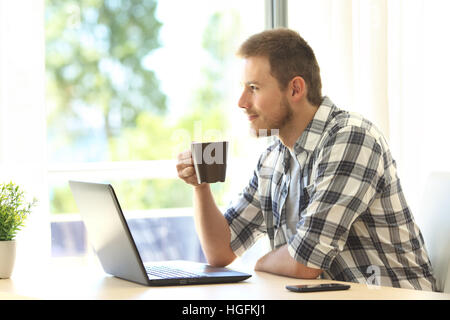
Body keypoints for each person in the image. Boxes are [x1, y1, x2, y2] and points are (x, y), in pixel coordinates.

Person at [176, 28, 436, 291]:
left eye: (253, 88)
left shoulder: (351, 138)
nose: (241, 102)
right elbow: (221, 251)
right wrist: (201, 187)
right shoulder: (272, 160)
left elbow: (305, 261)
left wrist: (259, 264)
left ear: (295, 89)